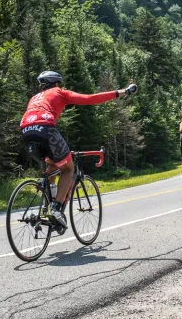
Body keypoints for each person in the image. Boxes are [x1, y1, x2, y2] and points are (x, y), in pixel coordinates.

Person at [20, 70, 136, 228]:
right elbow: (90, 99)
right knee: (68, 169)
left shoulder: (34, 98)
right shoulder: (59, 92)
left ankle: (47, 204)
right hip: (45, 129)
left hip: (26, 132)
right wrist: (123, 92)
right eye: (60, 84)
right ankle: (56, 208)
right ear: (56, 83)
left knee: (53, 164)